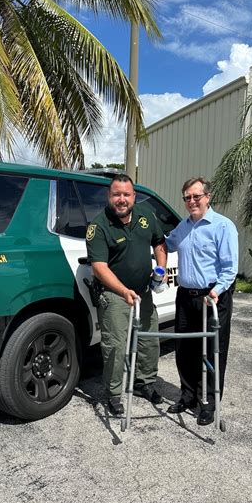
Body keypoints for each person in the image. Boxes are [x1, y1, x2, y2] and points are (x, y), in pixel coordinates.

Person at [86, 174, 167, 416]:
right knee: (115, 347)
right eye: (116, 194)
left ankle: (145, 383)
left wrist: (160, 270)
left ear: (134, 196)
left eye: (126, 194)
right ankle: (113, 394)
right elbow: (99, 267)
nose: (122, 199)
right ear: (109, 197)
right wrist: (123, 291)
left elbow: (160, 243)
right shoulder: (98, 226)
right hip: (114, 295)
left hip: (144, 293)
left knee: (149, 340)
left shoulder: (145, 216)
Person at [165, 177, 238, 426]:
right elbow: (165, 244)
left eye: (196, 196)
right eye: (187, 197)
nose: (192, 201)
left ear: (208, 197)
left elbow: (230, 269)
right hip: (185, 296)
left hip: (213, 296)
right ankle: (188, 396)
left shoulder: (223, 226)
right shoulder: (182, 227)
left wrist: (216, 291)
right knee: (185, 349)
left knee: (213, 351)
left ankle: (209, 402)